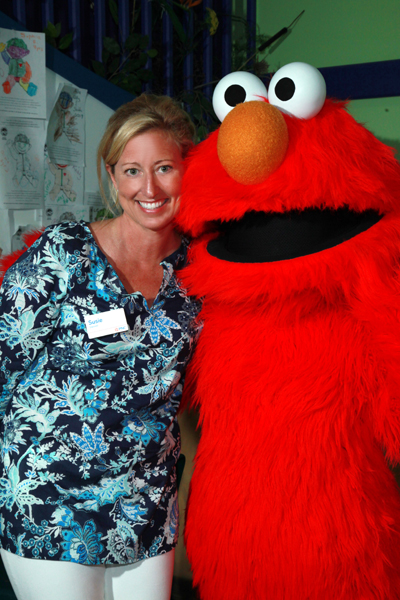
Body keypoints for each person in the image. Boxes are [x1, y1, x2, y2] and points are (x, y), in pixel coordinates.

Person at [0, 93, 202, 600]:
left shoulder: (203, 275)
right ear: (112, 178)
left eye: (164, 168)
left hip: (146, 506)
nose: (149, 188)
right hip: (50, 502)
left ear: (188, 170)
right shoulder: (63, 252)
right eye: (132, 171)